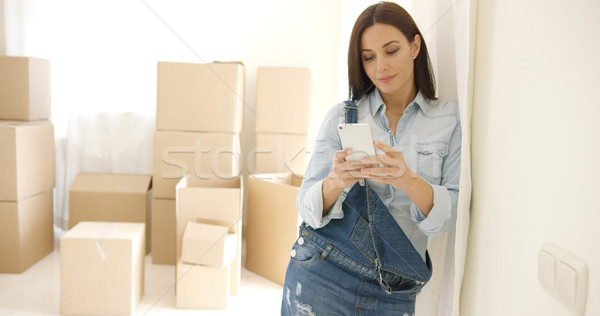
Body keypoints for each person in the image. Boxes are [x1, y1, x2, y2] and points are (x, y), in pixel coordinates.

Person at [281, 2, 461, 315]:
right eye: (369, 58)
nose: (381, 67)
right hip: (324, 272)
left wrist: (408, 180)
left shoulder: (447, 121)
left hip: (395, 290)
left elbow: (452, 214)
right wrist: (336, 181)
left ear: (415, 45)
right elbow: (306, 209)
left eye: (392, 51)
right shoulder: (342, 116)